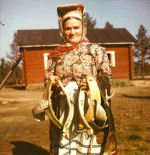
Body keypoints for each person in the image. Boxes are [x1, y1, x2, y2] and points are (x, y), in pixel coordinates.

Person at [32, 3, 117, 155]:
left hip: (89, 105)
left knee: (88, 140)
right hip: (63, 107)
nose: (72, 32)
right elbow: (47, 78)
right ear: (62, 30)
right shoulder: (56, 54)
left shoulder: (95, 50)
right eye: (68, 28)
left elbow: (106, 77)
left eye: (76, 27)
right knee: (65, 141)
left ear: (83, 28)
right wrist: (53, 83)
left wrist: (94, 83)